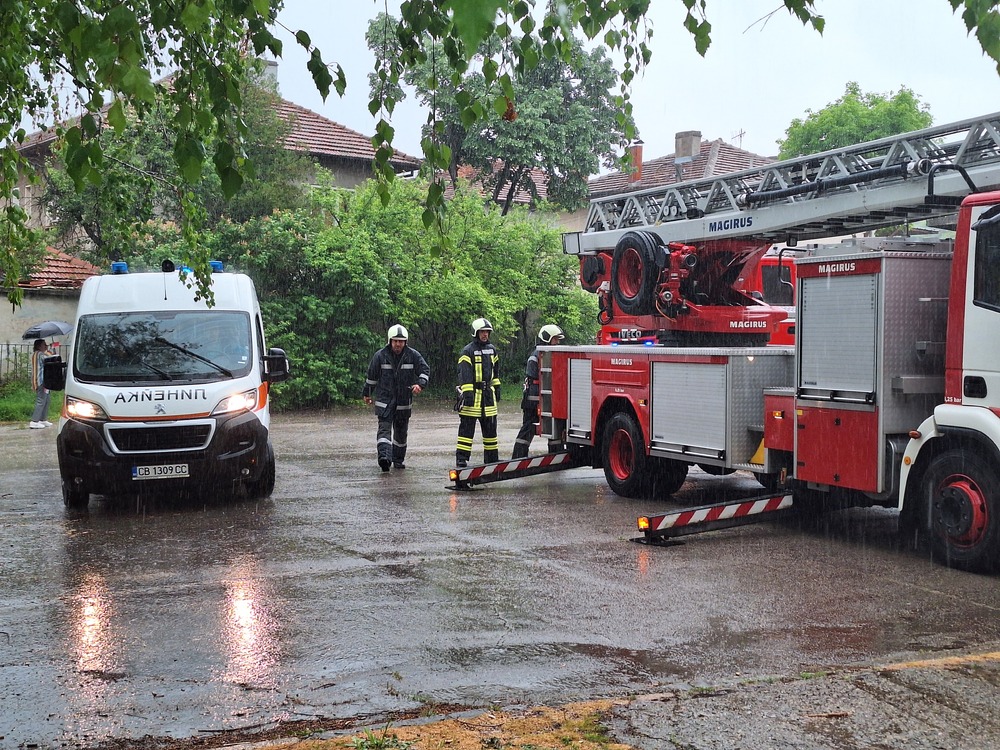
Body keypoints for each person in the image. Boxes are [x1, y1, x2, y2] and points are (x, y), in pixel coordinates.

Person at [362, 324, 430, 472]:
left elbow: (425, 370)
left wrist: (420, 384)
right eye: (395, 341)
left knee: (401, 434)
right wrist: (367, 393)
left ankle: (398, 460)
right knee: (384, 431)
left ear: (405, 342)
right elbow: (371, 377)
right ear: (390, 341)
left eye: (401, 341)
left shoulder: (413, 355)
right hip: (384, 402)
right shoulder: (380, 356)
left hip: (404, 402)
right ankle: (384, 459)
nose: (398, 344)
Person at [511, 324, 564, 459]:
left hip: (546, 399)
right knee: (528, 427)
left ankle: (556, 456)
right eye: (555, 339)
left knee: (553, 428)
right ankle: (518, 457)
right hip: (533, 400)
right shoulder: (537, 356)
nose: (557, 342)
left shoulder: (551, 355)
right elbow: (536, 378)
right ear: (546, 339)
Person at [456, 317, 501, 467]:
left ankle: (492, 459)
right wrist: (467, 393)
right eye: (482, 332)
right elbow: (464, 374)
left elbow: (496, 372)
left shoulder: (492, 350)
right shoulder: (467, 351)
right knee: (466, 431)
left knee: (490, 431)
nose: (485, 335)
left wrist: (497, 386)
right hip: (473, 396)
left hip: (488, 396)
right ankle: (461, 459)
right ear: (476, 333)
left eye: (487, 332)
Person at [29, 338, 54, 429]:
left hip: (45, 380)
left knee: (46, 400)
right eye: (44, 344)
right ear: (39, 346)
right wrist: (51, 350)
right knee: (41, 400)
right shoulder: (39, 354)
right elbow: (49, 359)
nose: (45, 346)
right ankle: (34, 421)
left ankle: (43, 419)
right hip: (40, 380)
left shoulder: (38, 354)